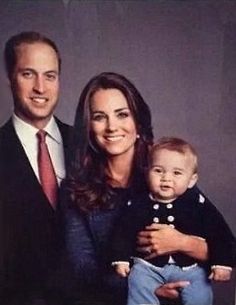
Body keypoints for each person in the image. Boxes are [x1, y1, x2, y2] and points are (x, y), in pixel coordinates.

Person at [61, 72, 209, 305]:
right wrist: (147, 285)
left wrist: (183, 243)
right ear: (89, 127)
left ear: (138, 122)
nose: (112, 127)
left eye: (122, 114)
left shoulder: (167, 169)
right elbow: (83, 270)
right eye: (100, 117)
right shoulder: (76, 188)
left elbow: (220, 242)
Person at [111, 137, 236, 305]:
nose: (166, 178)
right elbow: (122, 232)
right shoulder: (137, 203)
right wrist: (121, 259)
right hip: (148, 267)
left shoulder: (197, 203)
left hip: (190, 268)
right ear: (147, 172)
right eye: (158, 170)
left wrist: (222, 263)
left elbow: (219, 233)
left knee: (200, 291)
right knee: (137, 281)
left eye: (176, 173)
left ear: (191, 180)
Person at [0, 31, 71, 305]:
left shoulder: (86, 146)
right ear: (10, 78)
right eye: (28, 74)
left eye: (50, 76)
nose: (41, 87)